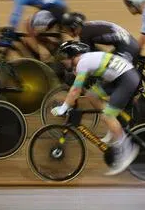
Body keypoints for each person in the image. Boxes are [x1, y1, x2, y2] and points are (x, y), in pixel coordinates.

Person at [48, 41, 140, 176]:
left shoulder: (82, 63)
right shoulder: (84, 60)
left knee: (107, 116)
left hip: (126, 79)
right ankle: (114, 125)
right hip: (120, 77)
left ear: (72, 57)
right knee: (92, 94)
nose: (62, 63)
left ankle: (127, 149)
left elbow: (76, 89)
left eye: (63, 59)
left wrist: (64, 107)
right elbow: (79, 89)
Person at [0, 0, 68, 58]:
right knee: (31, 27)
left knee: (29, 26)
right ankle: (54, 48)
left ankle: (39, 56)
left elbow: (16, 14)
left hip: (54, 8)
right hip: (58, 7)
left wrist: (11, 28)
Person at [60, 12, 138, 60]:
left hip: (127, 46)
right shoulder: (86, 27)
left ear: (73, 27)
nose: (67, 34)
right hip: (126, 43)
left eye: (67, 30)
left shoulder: (84, 33)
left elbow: (87, 55)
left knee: (115, 71)